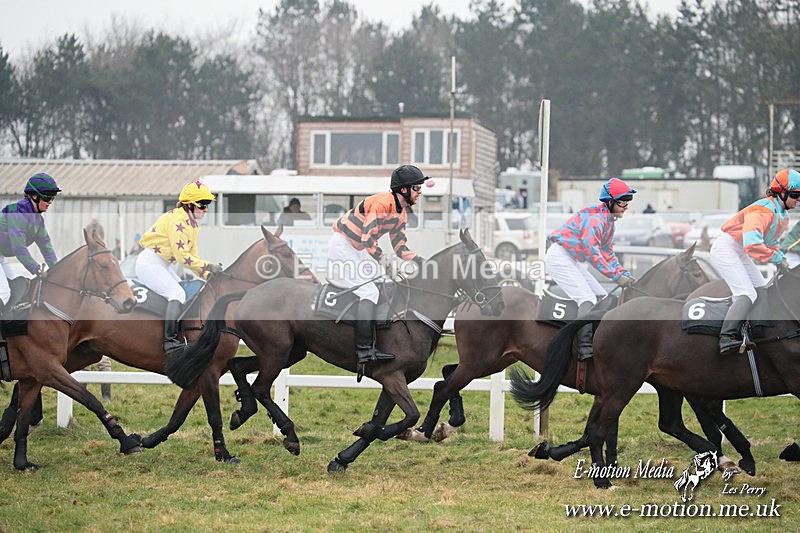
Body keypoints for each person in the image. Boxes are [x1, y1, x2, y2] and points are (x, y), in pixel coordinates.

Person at [328, 164, 427, 367]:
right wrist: (385, 261)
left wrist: (418, 260)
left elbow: (399, 246)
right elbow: (368, 239)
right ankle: (364, 350)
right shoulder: (382, 204)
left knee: (383, 284)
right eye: (416, 188)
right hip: (343, 245)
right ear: (403, 189)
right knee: (369, 293)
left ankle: (380, 340)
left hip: (358, 248)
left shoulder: (402, 212)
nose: (420, 192)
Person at [545, 177, 637, 359]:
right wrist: (615, 276)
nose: (626, 206)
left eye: (628, 202)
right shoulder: (596, 219)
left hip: (571, 259)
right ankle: (583, 346)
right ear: (609, 202)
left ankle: (595, 338)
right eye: (623, 202)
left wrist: (623, 273)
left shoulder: (609, 222)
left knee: (601, 296)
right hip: (559, 257)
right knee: (586, 297)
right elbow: (592, 253)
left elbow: (608, 253)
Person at [712, 168, 800, 356]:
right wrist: (777, 259)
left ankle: (758, 331)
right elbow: (752, 243)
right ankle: (726, 338)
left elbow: (772, 244)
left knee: (761, 288)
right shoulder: (763, 210)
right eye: (795, 195)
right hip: (726, 249)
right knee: (746, 294)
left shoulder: (782, 215)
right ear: (782, 192)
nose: (798, 199)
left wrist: (780, 260)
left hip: (738, 250)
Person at [135, 180, 223, 354]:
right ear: (189, 205)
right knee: (177, 293)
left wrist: (207, 276)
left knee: (185, 290)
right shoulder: (177, 221)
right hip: (149, 264)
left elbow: (193, 258)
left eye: (207, 205)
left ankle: (180, 334)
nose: (206, 210)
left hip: (162, 264)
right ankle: (169, 342)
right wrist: (208, 266)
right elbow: (183, 258)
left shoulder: (192, 224)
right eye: (203, 205)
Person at [0, 173, 61, 313]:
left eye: (52, 198)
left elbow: (46, 247)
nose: (50, 202)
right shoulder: (17, 214)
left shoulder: (38, 221)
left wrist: (57, 270)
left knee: (18, 288)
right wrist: (37, 270)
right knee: (3, 294)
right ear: (34, 196)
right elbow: (19, 249)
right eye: (47, 197)